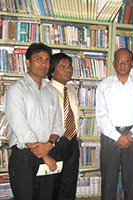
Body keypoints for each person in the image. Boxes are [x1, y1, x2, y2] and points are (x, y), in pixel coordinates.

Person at [4, 43, 65, 200]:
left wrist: (50, 145)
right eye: (39, 59)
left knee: (47, 196)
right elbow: (22, 128)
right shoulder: (16, 90)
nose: (44, 64)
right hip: (25, 157)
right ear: (28, 62)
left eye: (47, 60)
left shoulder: (51, 91)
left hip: (49, 149)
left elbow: (58, 125)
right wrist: (44, 155)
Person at [96, 48, 133, 200]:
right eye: (119, 61)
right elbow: (101, 115)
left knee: (131, 181)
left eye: (126, 62)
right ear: (113, 63)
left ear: (132, 64)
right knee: (109, 181)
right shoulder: (104, 86)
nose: (123, 65)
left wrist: (130, 135)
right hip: (110, 136)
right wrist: (117, 136)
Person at [48, 53, 80, 200]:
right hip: (55, 142)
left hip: (72, 142)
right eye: (62, 67)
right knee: (52, 184)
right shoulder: (46, 91)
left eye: (69, 67)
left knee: (69, 183)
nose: (68, 70)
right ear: (52, 71)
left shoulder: (71, 90)